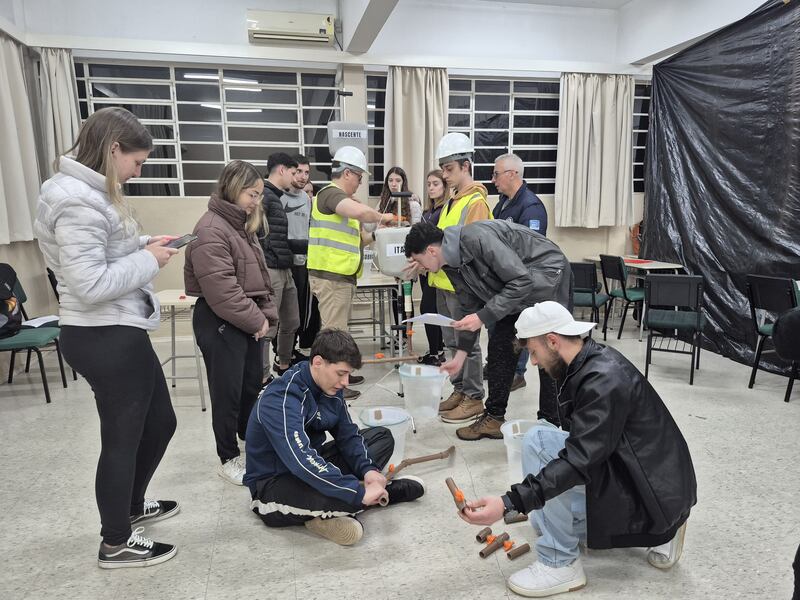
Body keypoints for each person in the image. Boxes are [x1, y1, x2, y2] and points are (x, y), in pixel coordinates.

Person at [460, 301, 697, 597]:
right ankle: (560, 529)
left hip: (653, 495)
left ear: (552, 341)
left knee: (541, 447)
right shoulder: (589, 363)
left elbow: (577, 461)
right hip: (639, 476)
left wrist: (509, 502)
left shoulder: (603, 380)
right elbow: (586, 447)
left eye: (533, 352)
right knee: (539, 446)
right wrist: (533, 500)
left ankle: (561, 564)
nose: (533, 362)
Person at [34, 107, 180, 568]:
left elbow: (104, 249)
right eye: (136, 162)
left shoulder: (91, 192)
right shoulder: (77, 200)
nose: (138, 173)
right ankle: (115, 541)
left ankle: (131, 507)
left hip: (118, 328)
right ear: (114, 149)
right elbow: (90, 283)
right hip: (102, 334)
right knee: (122, 439)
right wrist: (150, 261)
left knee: (160, 423)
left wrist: (145, 244)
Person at [244, 329, 425, 545]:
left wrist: (368, 469)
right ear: (318, 362)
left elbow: (348, 435)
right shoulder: (282, 398)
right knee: (343, 494)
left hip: (313, 461)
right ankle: (382, 495)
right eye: (341, 373)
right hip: (274, 484)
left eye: (348, 374)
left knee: (381, 437)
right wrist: (356, 492)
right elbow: (300, 461)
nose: (345, 382)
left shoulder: (329, 386)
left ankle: (333, 509)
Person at [404, 220, 571, 440]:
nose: (420, 268)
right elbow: (469, 310)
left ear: (431, 251)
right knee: (500, 346)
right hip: (514, 288)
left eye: (418, 260)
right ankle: (494, 417)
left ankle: (550, 424)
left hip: (547, 276)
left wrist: (483, 316)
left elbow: (521, 280)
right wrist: (460, 357)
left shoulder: (476, 238)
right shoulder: (451, 264)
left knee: (547, 352)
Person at [185, 160, 278, 486]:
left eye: (259, 195)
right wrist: (256, 319)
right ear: (233, 189)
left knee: (250, 385)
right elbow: (222, 290)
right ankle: (227, 457)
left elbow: (257, 277)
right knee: (227, 394)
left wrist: (264, 314)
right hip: (221, 320)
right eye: (252, 194)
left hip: (245, 318)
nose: (256, 201)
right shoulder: (211, 229)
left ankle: (247, 439)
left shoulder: (239, 225)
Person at [307, 145, 394, 400]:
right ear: (347, 173)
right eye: (358, 176)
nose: (359, 182)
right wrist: (382, 216)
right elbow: (361, 212)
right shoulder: (330, 194)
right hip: (331, 276)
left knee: (340, 332)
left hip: (341, 276)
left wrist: (377, 234)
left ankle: (340, 374)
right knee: (333, 335)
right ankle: (331, 386)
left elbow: (359, 239)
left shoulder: (342, 202)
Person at [421, 132, 492, 424]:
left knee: (468, 345)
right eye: (443, 169)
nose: (446, 175)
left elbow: (476, 250)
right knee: (452, 342)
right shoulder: (452, 200)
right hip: (443, 284)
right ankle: (460, 389)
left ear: (466, 166)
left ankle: (474, 397)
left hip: (463, 287)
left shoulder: (475, 202)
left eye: (450, 169)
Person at [489, 153, 550, 394]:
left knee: (518, 327)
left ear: (512, 174)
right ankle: (498, 365)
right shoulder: (503, 203)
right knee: (498, 326)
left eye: (496, 174)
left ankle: (516, 372)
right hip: (502, 277)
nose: (493, 179)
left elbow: (530, 247)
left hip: (522, 280)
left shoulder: (531, 206)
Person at [258, 152, 300, 380]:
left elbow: (279, 238)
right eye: (293, 173)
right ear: (281, 170)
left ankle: (284, 364)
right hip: (271, 269)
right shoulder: (264, 196)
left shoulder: (275, 197)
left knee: (292, 321)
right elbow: (256, 234)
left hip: (285, 267)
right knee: (269, 325)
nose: (295, 178)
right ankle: (262, 376)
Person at [278, 154, 319, 358]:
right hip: (283, 264)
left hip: (304, 264)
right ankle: (281, 355)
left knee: (300, 312)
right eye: (298, 172)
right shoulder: (278, 197)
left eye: (306, 172)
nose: (303, 176)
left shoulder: (306, 199)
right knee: (282, 314)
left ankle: (292, 352)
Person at [417, 169, 448, 366]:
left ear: (444, 186)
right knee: (432, 308)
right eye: (428, 184)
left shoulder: (444, 211)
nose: (431, 188)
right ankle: (437, 350)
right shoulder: (428, 212)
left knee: (429, 308)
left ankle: (436, 352)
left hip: (436, 268)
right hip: (424, 267)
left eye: (436, 184)